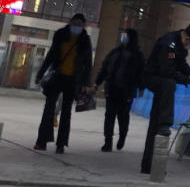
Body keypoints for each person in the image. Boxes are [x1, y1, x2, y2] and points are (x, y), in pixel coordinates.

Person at [140, 23, 190, 174]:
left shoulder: (180, 46)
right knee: (169, 84)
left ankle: (148, 166)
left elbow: (180, 63)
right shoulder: (168, 43)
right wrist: (187, 80)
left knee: (154, 124)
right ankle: (165, 122)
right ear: (187, 38)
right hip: (152, 78)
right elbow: (167, 70)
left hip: (162, 80)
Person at [34, 14, 93, 154]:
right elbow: (51, 55)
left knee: (66, 112)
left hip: (73, 80)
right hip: (57, 76)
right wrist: (40, 73)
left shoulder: (85, 40)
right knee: (48, 109)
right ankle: (42, 141)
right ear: (70, 22)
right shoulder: (60, 34)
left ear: (84, 26)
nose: (77, 27)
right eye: (75, 23)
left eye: (80, 25)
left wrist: (86, 83)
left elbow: (88, 63)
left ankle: (61, 144)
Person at [94, 27, 145, 152]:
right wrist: (97, 83)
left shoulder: (138, 55)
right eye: (122, 35)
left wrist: (141, 87)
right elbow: (105, 69)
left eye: (125, 36)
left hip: (127, 90)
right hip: (112, 88)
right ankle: (108, 141)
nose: (123, 38)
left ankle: (122, 136)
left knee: (123, 116)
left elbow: (141, 73)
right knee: (109, 115)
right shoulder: (115, 52)